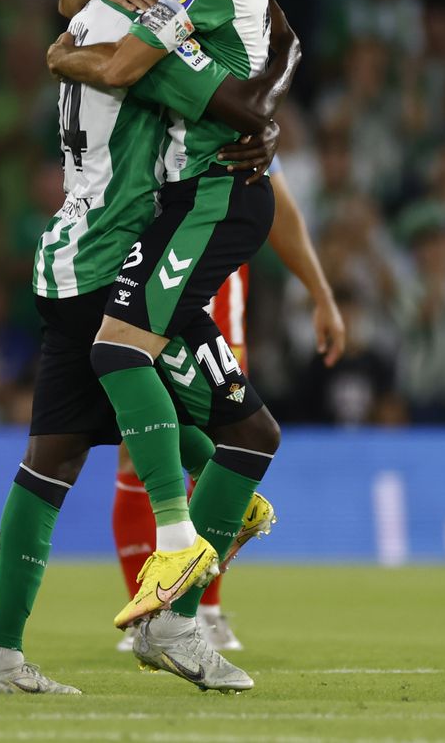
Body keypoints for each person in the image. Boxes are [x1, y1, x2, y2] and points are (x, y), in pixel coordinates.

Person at [0, 0, 301, 696]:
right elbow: (218, 99)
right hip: (121, 256)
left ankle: (0, 659)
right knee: (247, 434)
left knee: (50, 463)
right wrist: (258, 128)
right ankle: (181, 579)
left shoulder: (88, 15)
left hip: (69, 255)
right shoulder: (143, 29)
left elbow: (85, 14)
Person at [45, 0, 288, 690]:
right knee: (250, 432)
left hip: (210, 200)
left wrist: (57, 56)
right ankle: (183, 625)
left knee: (115, 352)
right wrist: (266, 103)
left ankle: (177, 559)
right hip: (196, 201)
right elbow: (286, 40)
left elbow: (114, 65)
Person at [111, 162, 343, 654]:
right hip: (148, 277)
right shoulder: (160, 107)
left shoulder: (245, 117)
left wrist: (320, 292)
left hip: (214, 297)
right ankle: (148, 615)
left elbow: (278, 204)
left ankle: (203, 609)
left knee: (227, 440)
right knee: (138, 445)